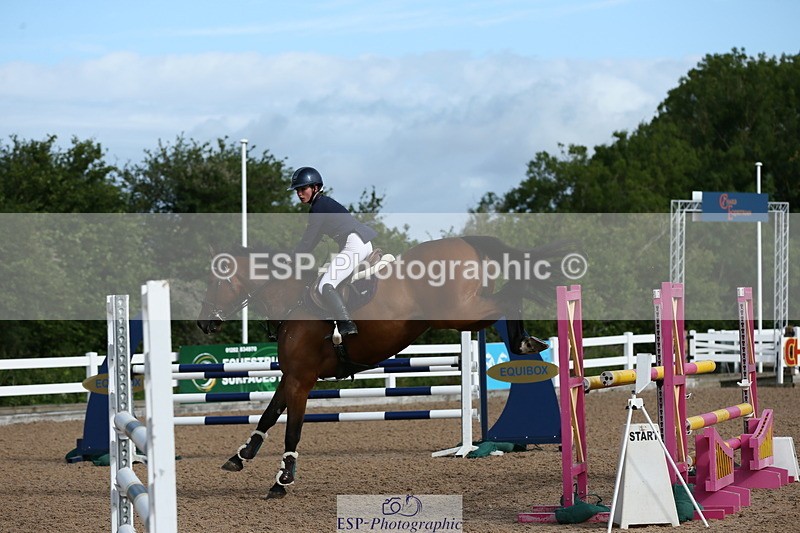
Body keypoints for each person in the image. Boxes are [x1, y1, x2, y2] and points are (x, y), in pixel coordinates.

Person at [289, 166, 378, 337]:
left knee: (325, 285)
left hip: (354, 244)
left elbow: (308, 241)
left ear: (315, 188)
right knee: (340, 281)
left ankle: (346, 325)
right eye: (297, 190)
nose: (299, 193)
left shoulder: (318, 207)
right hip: (363, 243)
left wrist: (291, 259)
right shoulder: (323, 204)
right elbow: (313, 241)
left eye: (303, 189)